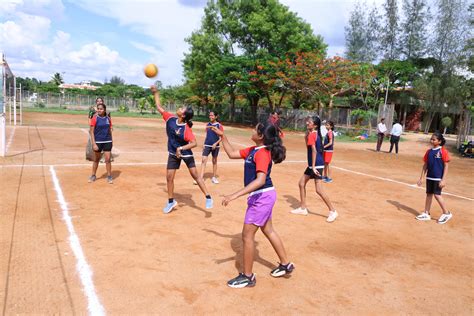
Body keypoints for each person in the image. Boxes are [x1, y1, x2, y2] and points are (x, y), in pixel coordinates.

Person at [209, 121, 294, 288]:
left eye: (255, 129)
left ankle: (248, 277)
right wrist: (223, 136)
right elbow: (232, 153)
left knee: (247, 236)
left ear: (261, 136)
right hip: (264, 196)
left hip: (262, 197)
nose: (252, 130)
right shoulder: (253, 150)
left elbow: (260, 180)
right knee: (268, 229)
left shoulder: (262, 153)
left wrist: (234, 195)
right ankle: (285, 264)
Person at [151, 85, 213, 213]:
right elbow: (159, 107)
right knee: (169, 177)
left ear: (183, 115)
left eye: (181, 108)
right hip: (173, 152)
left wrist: (181, 148)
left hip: (185, 152)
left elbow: (194, 143)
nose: (179, 108)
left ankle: (208, 197)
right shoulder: (170, 119)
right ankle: (170, 201)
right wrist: (156, 92)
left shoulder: (186, 129)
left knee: (195, 176)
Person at [290, 116, 338, 222]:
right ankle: (303, 208)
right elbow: (309, 147)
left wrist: (313, 167)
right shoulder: (313, 134)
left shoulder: (313, 134)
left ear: (315, 125)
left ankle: (333, 211)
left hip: (316, 165)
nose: (307, 122)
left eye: (310, 122)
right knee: (301, 183)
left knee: (319, 190)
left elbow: (314, 151)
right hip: (314, 164)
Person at [416, 132, 453, 224]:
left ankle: (446, 213)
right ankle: (426, 213)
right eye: (431, 139)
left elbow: (446, 165)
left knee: (437, 195)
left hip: (438, 178)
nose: (431, 140)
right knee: (429, 194)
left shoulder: (443, 151)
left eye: (434, 139)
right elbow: (425, 165)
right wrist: (421, 178)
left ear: (439, 141)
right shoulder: (429, 152)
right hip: (430, 177)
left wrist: (443, 179)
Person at [88, 103, 113, 184]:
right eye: (98, 109)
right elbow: (91, 131)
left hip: (107, 141)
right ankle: (93, 175)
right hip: (98, 142)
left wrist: (111, 140)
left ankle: (109, 176)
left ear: (104, 110)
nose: (99, 110)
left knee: (108, 160)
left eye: (101, 109)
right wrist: (94, 144)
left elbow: (110, 130)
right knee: (96, 160)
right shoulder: (95, 118)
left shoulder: (108, 118)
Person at [197, 111, 223, 184]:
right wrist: (204, 144)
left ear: (216, 117)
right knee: (203, 160)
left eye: (212, 115)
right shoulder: (208, 125)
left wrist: (216, 143)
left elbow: (221, 137)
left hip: (216, 146)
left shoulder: (219, 125)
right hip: (207, 145)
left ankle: (214, 177)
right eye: (209, 115)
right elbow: (207, 135)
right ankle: (201, 178)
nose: (210, 117)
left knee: (214, 161)